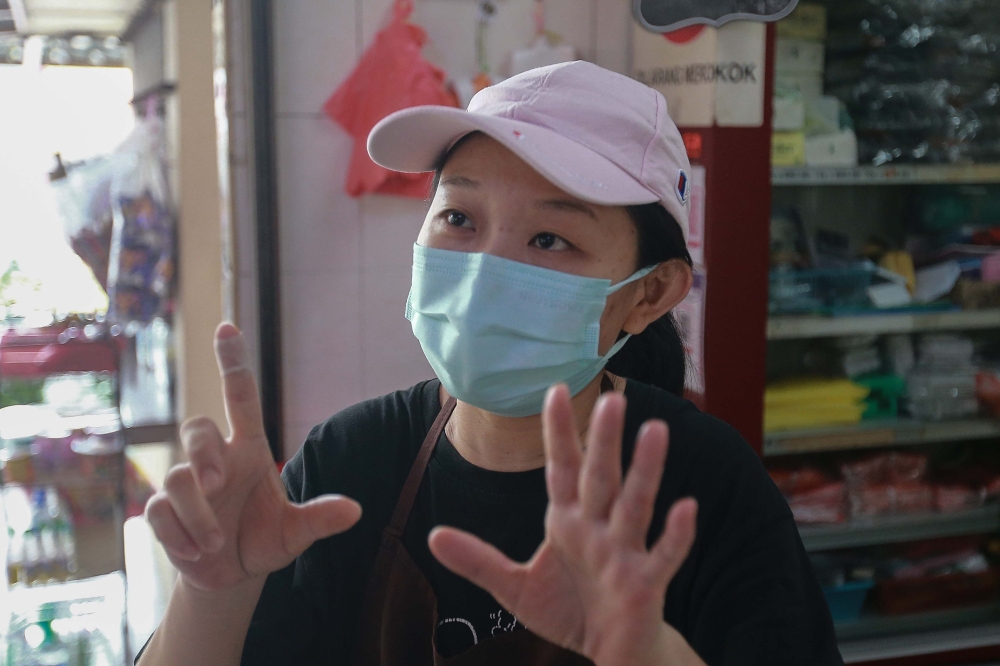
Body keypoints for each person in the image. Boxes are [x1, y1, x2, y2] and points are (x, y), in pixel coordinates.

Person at [136, 61, 842, 666]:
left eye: (549, 239)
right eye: (459, 219)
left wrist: (647, 652)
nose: (482, 272)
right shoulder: (346, 466)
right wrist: (212, 591)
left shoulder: (703, 486)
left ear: (648, 294)